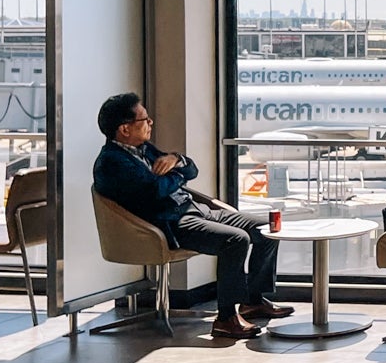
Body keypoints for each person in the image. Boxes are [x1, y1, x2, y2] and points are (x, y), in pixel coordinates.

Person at [93, 92, 292, 340]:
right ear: (124, 128)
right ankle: (226, 319)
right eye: (145, 119)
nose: (151, 123)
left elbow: (191, 169)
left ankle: (252, 300)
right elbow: (155, 192)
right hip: (171, 223)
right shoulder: (111, 163)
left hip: (194, 209)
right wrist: (177, 175)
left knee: (267, 227)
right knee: (236, 240)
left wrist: (177, 159)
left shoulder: (143, 149)